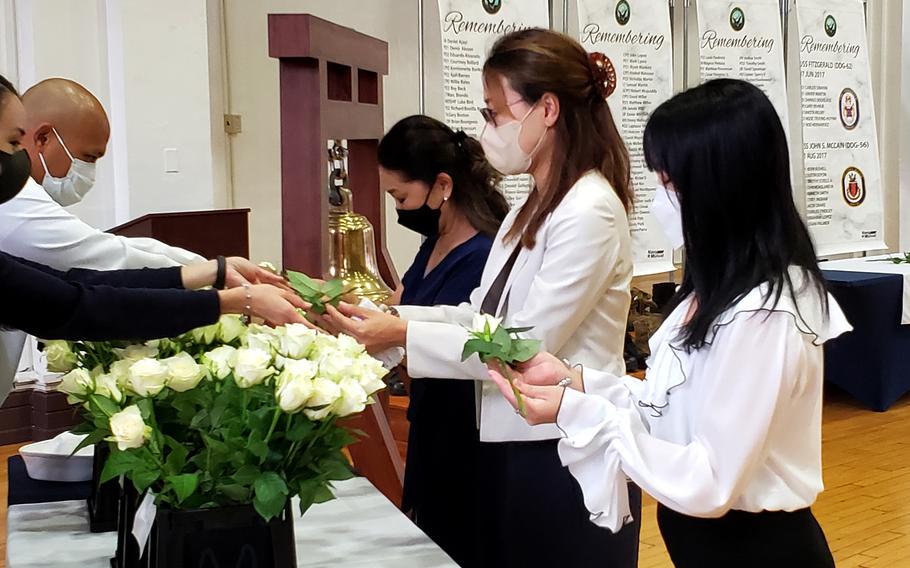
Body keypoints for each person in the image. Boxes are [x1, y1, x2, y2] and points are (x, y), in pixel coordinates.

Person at [488, 79, 847, 568]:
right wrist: (577, 383)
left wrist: (585, 416)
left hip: (756, 550)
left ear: (720, 186)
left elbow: (711, 479)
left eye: (669, 183)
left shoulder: (766, 313)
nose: (660, 200)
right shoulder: (712, 292)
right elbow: (674, 411)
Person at [318, 29, 641, 568]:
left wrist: (401, 334)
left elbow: (523, 344)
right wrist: (392, 315)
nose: (487, 131)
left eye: (495, 115)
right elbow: (482, 314)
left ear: (547, 110)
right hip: (514, 438)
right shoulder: (528, 208)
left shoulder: (589, 210)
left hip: (567, 444)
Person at [0, 75, 306, 340]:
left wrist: (216, 272)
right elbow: (80, 301)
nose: (19, 157)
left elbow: (81, 283)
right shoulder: (19, 203)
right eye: (14, 143)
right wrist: (231, 296)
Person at [378, 115, 508, 567]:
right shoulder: (436, 239)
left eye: (401, 196)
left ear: (442, 186)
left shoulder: (485, 253)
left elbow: (472, 334)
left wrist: (394, 329)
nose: (399, 209)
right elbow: (408, 302)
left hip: (465, 431)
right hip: (430, 420)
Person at [0, 78, 204, 270]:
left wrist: (203, 266)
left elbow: (105, 245)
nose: (90, 174)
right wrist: (207, 273)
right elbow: (104, 258)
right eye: (14, 142)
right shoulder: (17, 198)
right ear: (43, 139)